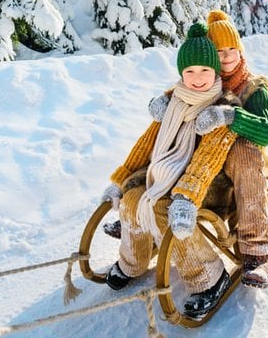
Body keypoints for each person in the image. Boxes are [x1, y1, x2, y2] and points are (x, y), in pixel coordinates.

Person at [99, 22, 235, 320]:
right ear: (181, 74)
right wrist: (121, 180)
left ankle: (209, 277)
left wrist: (186, 196)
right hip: (167, 178)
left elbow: (209, 159)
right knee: (134, 199)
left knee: (163, 207)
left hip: (207, 185)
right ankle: (135, 260)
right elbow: (145, 146)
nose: (197, 79)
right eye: (190, 72)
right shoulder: (173, 103)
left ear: (215, 72)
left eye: (204, 71)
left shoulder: (222, 107)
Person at [167, 9, 268, 289]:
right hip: (206, 162)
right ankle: (142, 214)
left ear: (240, 50)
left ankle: (256, 253)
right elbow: (182, 91)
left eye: (232, 49)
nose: (227, 56)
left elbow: (267, 131)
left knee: (244, 153)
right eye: (219, 50)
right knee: (171, 139)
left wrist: (231, 116)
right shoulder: (207, 80)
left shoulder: (253, 88)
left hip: (243, 163)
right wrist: (164, 103)